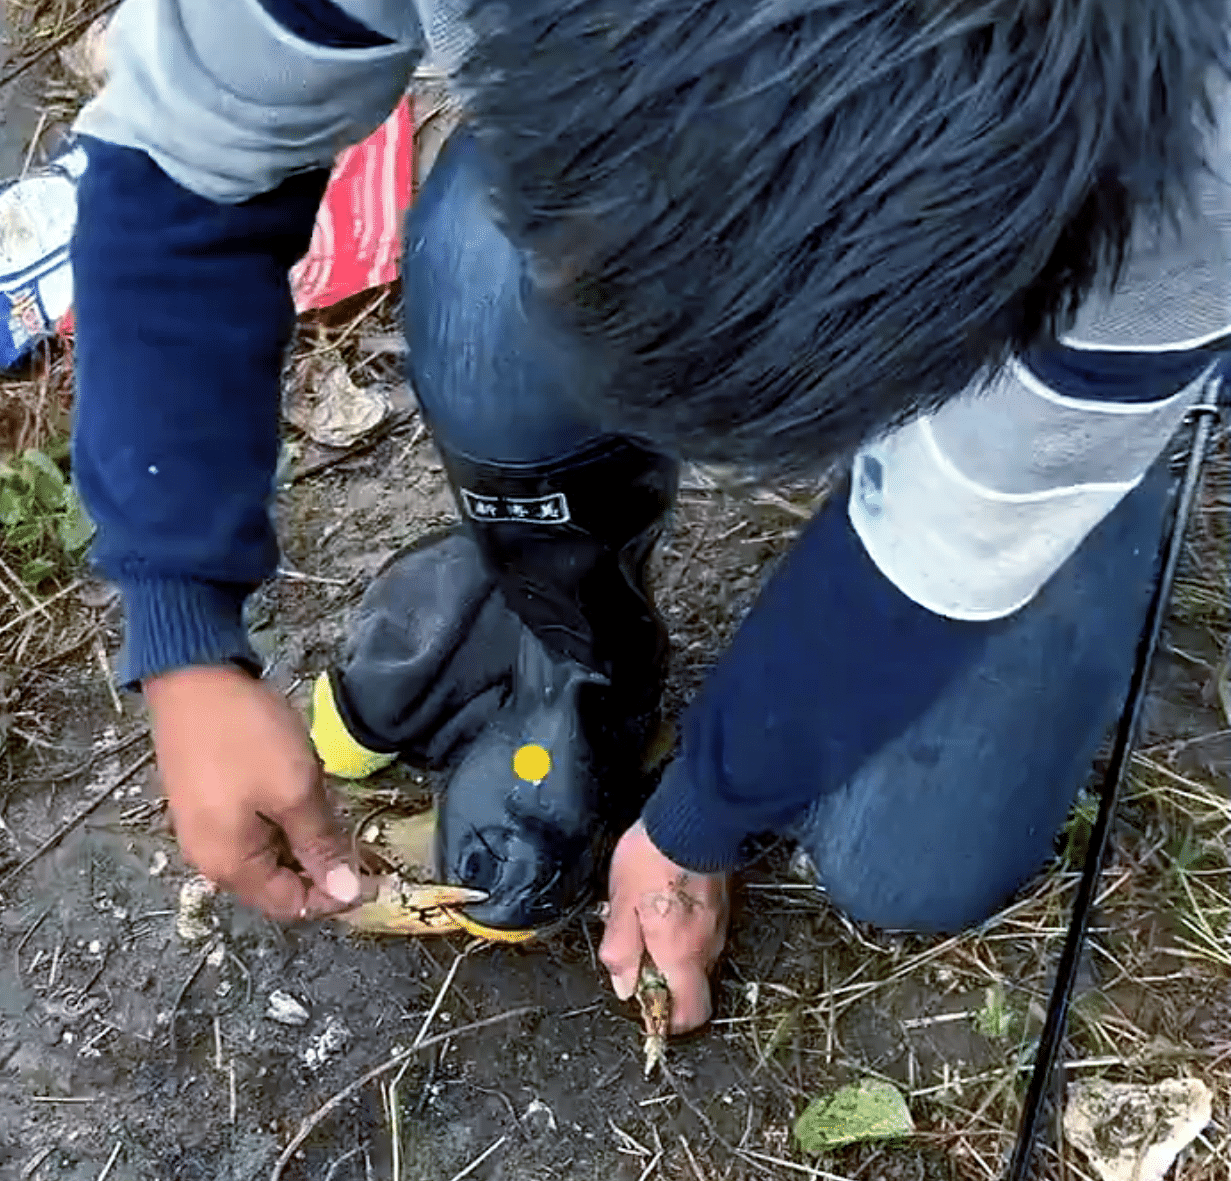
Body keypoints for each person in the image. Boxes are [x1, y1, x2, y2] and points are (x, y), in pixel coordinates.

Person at [71, 0, 1231, 1035]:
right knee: (485, 266)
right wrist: (183, 635)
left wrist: (696, 823)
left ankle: (1103, 458)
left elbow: (946, 552)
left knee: (906, 869)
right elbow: (179, 162)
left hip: (1079, 275)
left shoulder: (1187, 170)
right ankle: (565, 626)